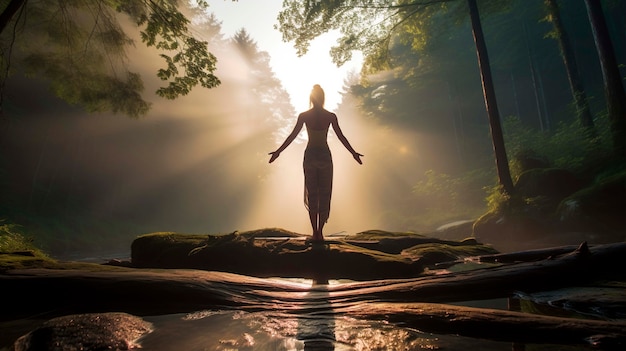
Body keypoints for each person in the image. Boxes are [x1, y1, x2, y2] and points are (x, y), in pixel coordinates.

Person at [269, 84, 363, 242]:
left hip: (310, 156)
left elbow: (292, 135)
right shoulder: (330, 116)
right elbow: (341, 137)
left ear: (311, 98)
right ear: (323, 98)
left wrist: (278, 152)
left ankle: (315, 233)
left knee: (312, 193)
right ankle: (320, 230)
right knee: (324, 193)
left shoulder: (304, 116)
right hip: (325, 156)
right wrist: (353, 153)